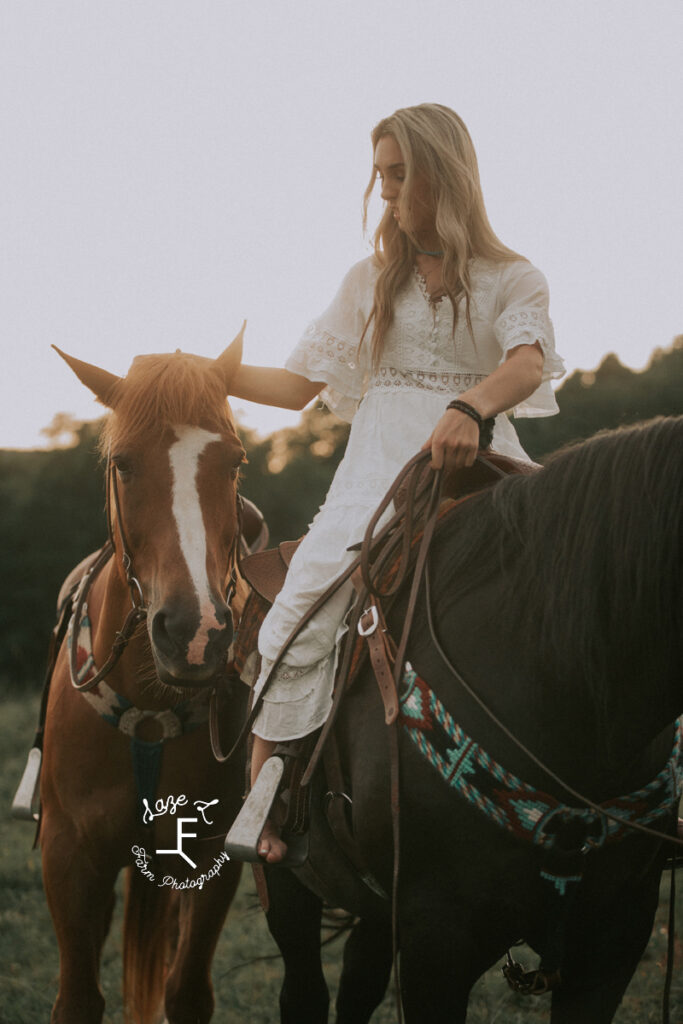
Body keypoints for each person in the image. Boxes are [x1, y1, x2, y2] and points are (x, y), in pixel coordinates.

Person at [229, 103, 565, 862]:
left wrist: (468, 408)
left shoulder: (513, 276)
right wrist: (207, 371)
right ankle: (263, 795)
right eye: (379, 174)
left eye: (398, 173)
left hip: (479, 453)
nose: (384, 191)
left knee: (595, 574)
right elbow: (293, 387)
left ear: (442, 174)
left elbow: (523, 363)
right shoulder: (371, 280)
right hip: (377, 467)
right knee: (303, 602)